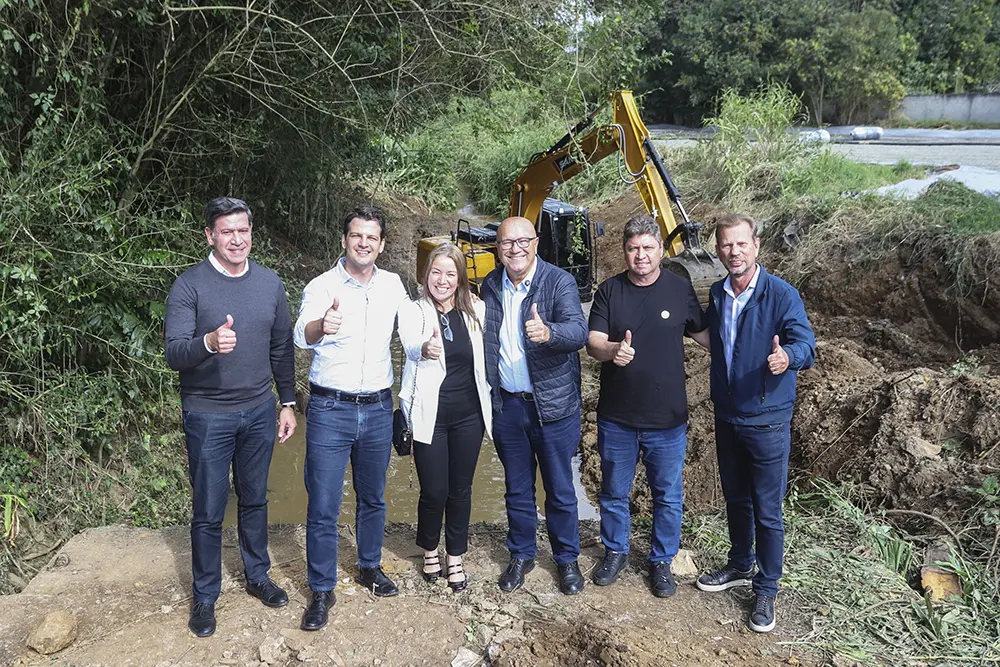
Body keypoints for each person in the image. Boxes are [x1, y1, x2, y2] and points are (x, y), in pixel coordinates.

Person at [164, 197, 297, 638]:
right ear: (210, 236)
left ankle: (258, 576)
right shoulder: (189, 286)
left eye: (243, 230)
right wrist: (208, 342)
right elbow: (173, 353)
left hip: (259, 410)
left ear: (251, 233)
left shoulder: (270, 283)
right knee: (208, 508)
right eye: (227, 231)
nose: (236, 239)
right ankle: (205, 595)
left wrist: (287, 402)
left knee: (255, 498)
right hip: (207, 414)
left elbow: (282, 348)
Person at [690, 213, 816, 633]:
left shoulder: (781, 294)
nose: (734, 252)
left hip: (767, 420)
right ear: (718, 250)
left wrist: (787, 357)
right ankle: (740, 564)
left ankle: (766, 588)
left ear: (756, 246)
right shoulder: (718, 293)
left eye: (741, 244)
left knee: (768, 510)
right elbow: (717, 340)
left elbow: (806, 344)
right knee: (736, 499)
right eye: (726, 245)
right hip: (727, 415)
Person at [293, 206, 408, 631]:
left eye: (371, 237)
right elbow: (300, 336)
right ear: (344, 241)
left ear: (381, 244)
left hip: (378, 408)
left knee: (373, 497)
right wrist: (321, 325)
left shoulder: (393, 286)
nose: (363, 243)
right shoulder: (322, 286)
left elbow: (414, 327)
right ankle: (322, 589)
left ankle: (369, 567)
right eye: (356, 236)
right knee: (323, 504)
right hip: (330, 409)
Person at [585, 214, 707, 597]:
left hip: (667, 420)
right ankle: (616, 551)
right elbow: (593, 342)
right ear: (624, 251)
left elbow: (706, 336)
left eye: (648, 247)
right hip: (617, 418)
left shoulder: (679, 289)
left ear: (661, 250)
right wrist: (612, 350)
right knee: (613, 491)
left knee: (667, 495)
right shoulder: (609, 291)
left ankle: (661, 561)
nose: (641, 255)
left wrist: (749, 348)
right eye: (633, 248)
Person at [481, 216, 589, 595]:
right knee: (517, 487)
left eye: (522, 241)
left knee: (559, 488)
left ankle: (566, 559)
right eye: (507, 243)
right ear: (498, 249)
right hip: (507, 406)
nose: (515, 249)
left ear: (536, 243)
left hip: (553, 407)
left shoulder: (558, 282)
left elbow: (579, 331)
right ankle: (522, 554)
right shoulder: (490, 285)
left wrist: (549, 332)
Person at [398, 242, 493, 592]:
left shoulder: (477, 311)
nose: (442, 280)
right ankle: (429, 549)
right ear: (427, 275)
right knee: (434, 490)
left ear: (460, 278)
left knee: (461, 490)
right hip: (429, 416)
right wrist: (425, 348)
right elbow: (410, 344)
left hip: (469, 415)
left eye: (450, 273)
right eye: (436, 272)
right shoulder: (414, 311)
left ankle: (455, 556)